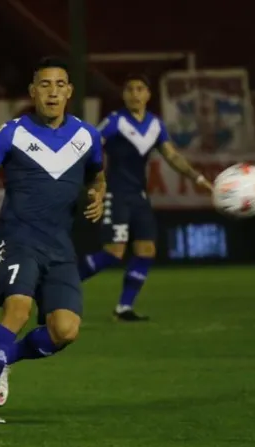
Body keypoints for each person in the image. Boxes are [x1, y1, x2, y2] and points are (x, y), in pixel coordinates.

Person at [0, 57, 105, 424]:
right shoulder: (12, 133)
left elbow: (97, 175)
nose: (52, 91)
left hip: (61, 248)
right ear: (32, 92)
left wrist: (98, 195)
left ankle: (7, 357)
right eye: (44, 84)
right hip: (20, 240)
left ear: (69, 91)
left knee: (65, 331)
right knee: (18, 311)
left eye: (59, 84)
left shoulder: (88, 136)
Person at [77, 74, 213, 321]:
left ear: (148, 95)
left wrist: (198, 179)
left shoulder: (155, 125)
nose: (135, 94)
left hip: (139, 197)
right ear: (124, 95)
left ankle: (124, 308)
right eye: (129, 89)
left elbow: (172, 156)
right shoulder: (115, 121)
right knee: (113, 253)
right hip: (115, 194)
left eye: (140, 89)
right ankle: (62, 283)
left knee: (146, 250)